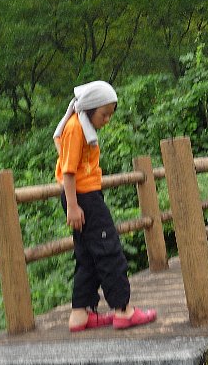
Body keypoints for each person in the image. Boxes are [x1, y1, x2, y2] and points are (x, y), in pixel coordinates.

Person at [54, 80, 157, 332]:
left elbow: (61, 150)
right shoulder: (76, 127)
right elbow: (68, 172)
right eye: (104, 114)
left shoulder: (78, 126)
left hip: (82, 197)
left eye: (110, 114)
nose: (107, 119)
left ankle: (80, 314)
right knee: (109, 250)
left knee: (88, 255)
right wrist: (73, 206)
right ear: (90, 108)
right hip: (84, 198)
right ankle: (124, 310)